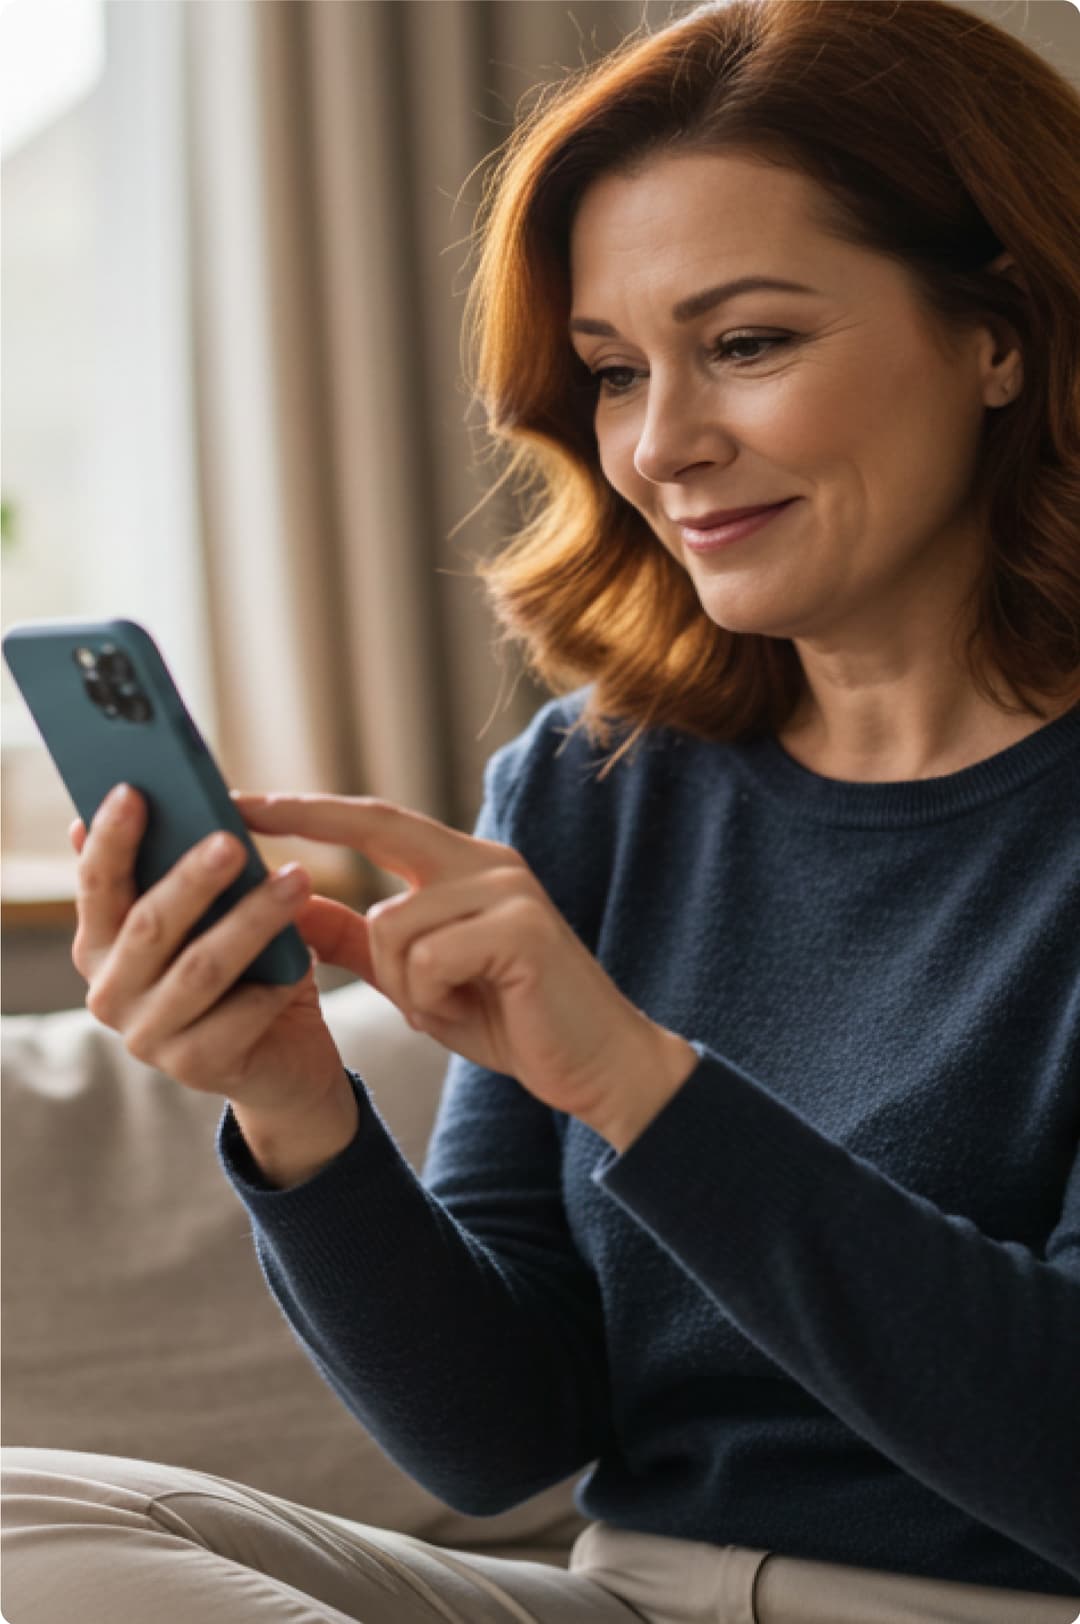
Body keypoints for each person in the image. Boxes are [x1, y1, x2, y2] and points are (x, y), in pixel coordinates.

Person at [4, 0, 1079, 1620]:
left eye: (749, 343)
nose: (664, 445)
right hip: (627, 1596)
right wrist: (299, 1115)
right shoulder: (601, 781)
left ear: (1001, 331)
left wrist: (639, 1083)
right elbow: (496, 1437)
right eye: (611, 372)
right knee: (29, 1521)